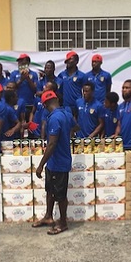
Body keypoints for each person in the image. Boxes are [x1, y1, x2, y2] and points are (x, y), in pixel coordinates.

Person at [33, 91, 77, 235]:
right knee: (50, 190)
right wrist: (67, 138)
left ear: (44, 105)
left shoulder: (54, 118)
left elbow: (51, 144)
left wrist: (40, 165)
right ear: (57, 99)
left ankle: (63, 222)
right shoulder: (67, 114)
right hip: (55, 161)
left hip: (58, 162)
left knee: (60, 194)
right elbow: (76, 128)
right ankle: (48, 217)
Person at [9, 54, 38, 120]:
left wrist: (28, 78)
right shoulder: (14, 73)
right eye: (19, 61)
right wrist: (21, 79)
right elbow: (11, 88)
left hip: (30, 104)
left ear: (28, 62)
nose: (20, 63)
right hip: (17, 104)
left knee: (29, 126)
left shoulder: (34, 74)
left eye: (22, 61)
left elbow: (35, 90)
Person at [58, 51, 86, 115]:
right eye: (67, 60)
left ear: (76, 61)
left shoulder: (82, 75)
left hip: (78, 106)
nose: (68, 62)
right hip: (65, 107)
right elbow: (58, 91)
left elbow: (87, 91)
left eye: (70, 59)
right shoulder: (61, 75)